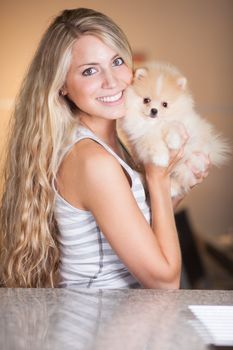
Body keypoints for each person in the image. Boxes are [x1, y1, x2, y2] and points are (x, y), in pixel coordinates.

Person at [0, 8, 210, 288]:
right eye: (89, 71)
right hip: (97, 325)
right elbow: (165, 281)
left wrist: (178, 183)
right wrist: (158, 180)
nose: (112, 82)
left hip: (119, 320)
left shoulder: (112, 144)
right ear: (62, 85)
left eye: (117, 62)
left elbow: (139, 233)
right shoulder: (92, 161)